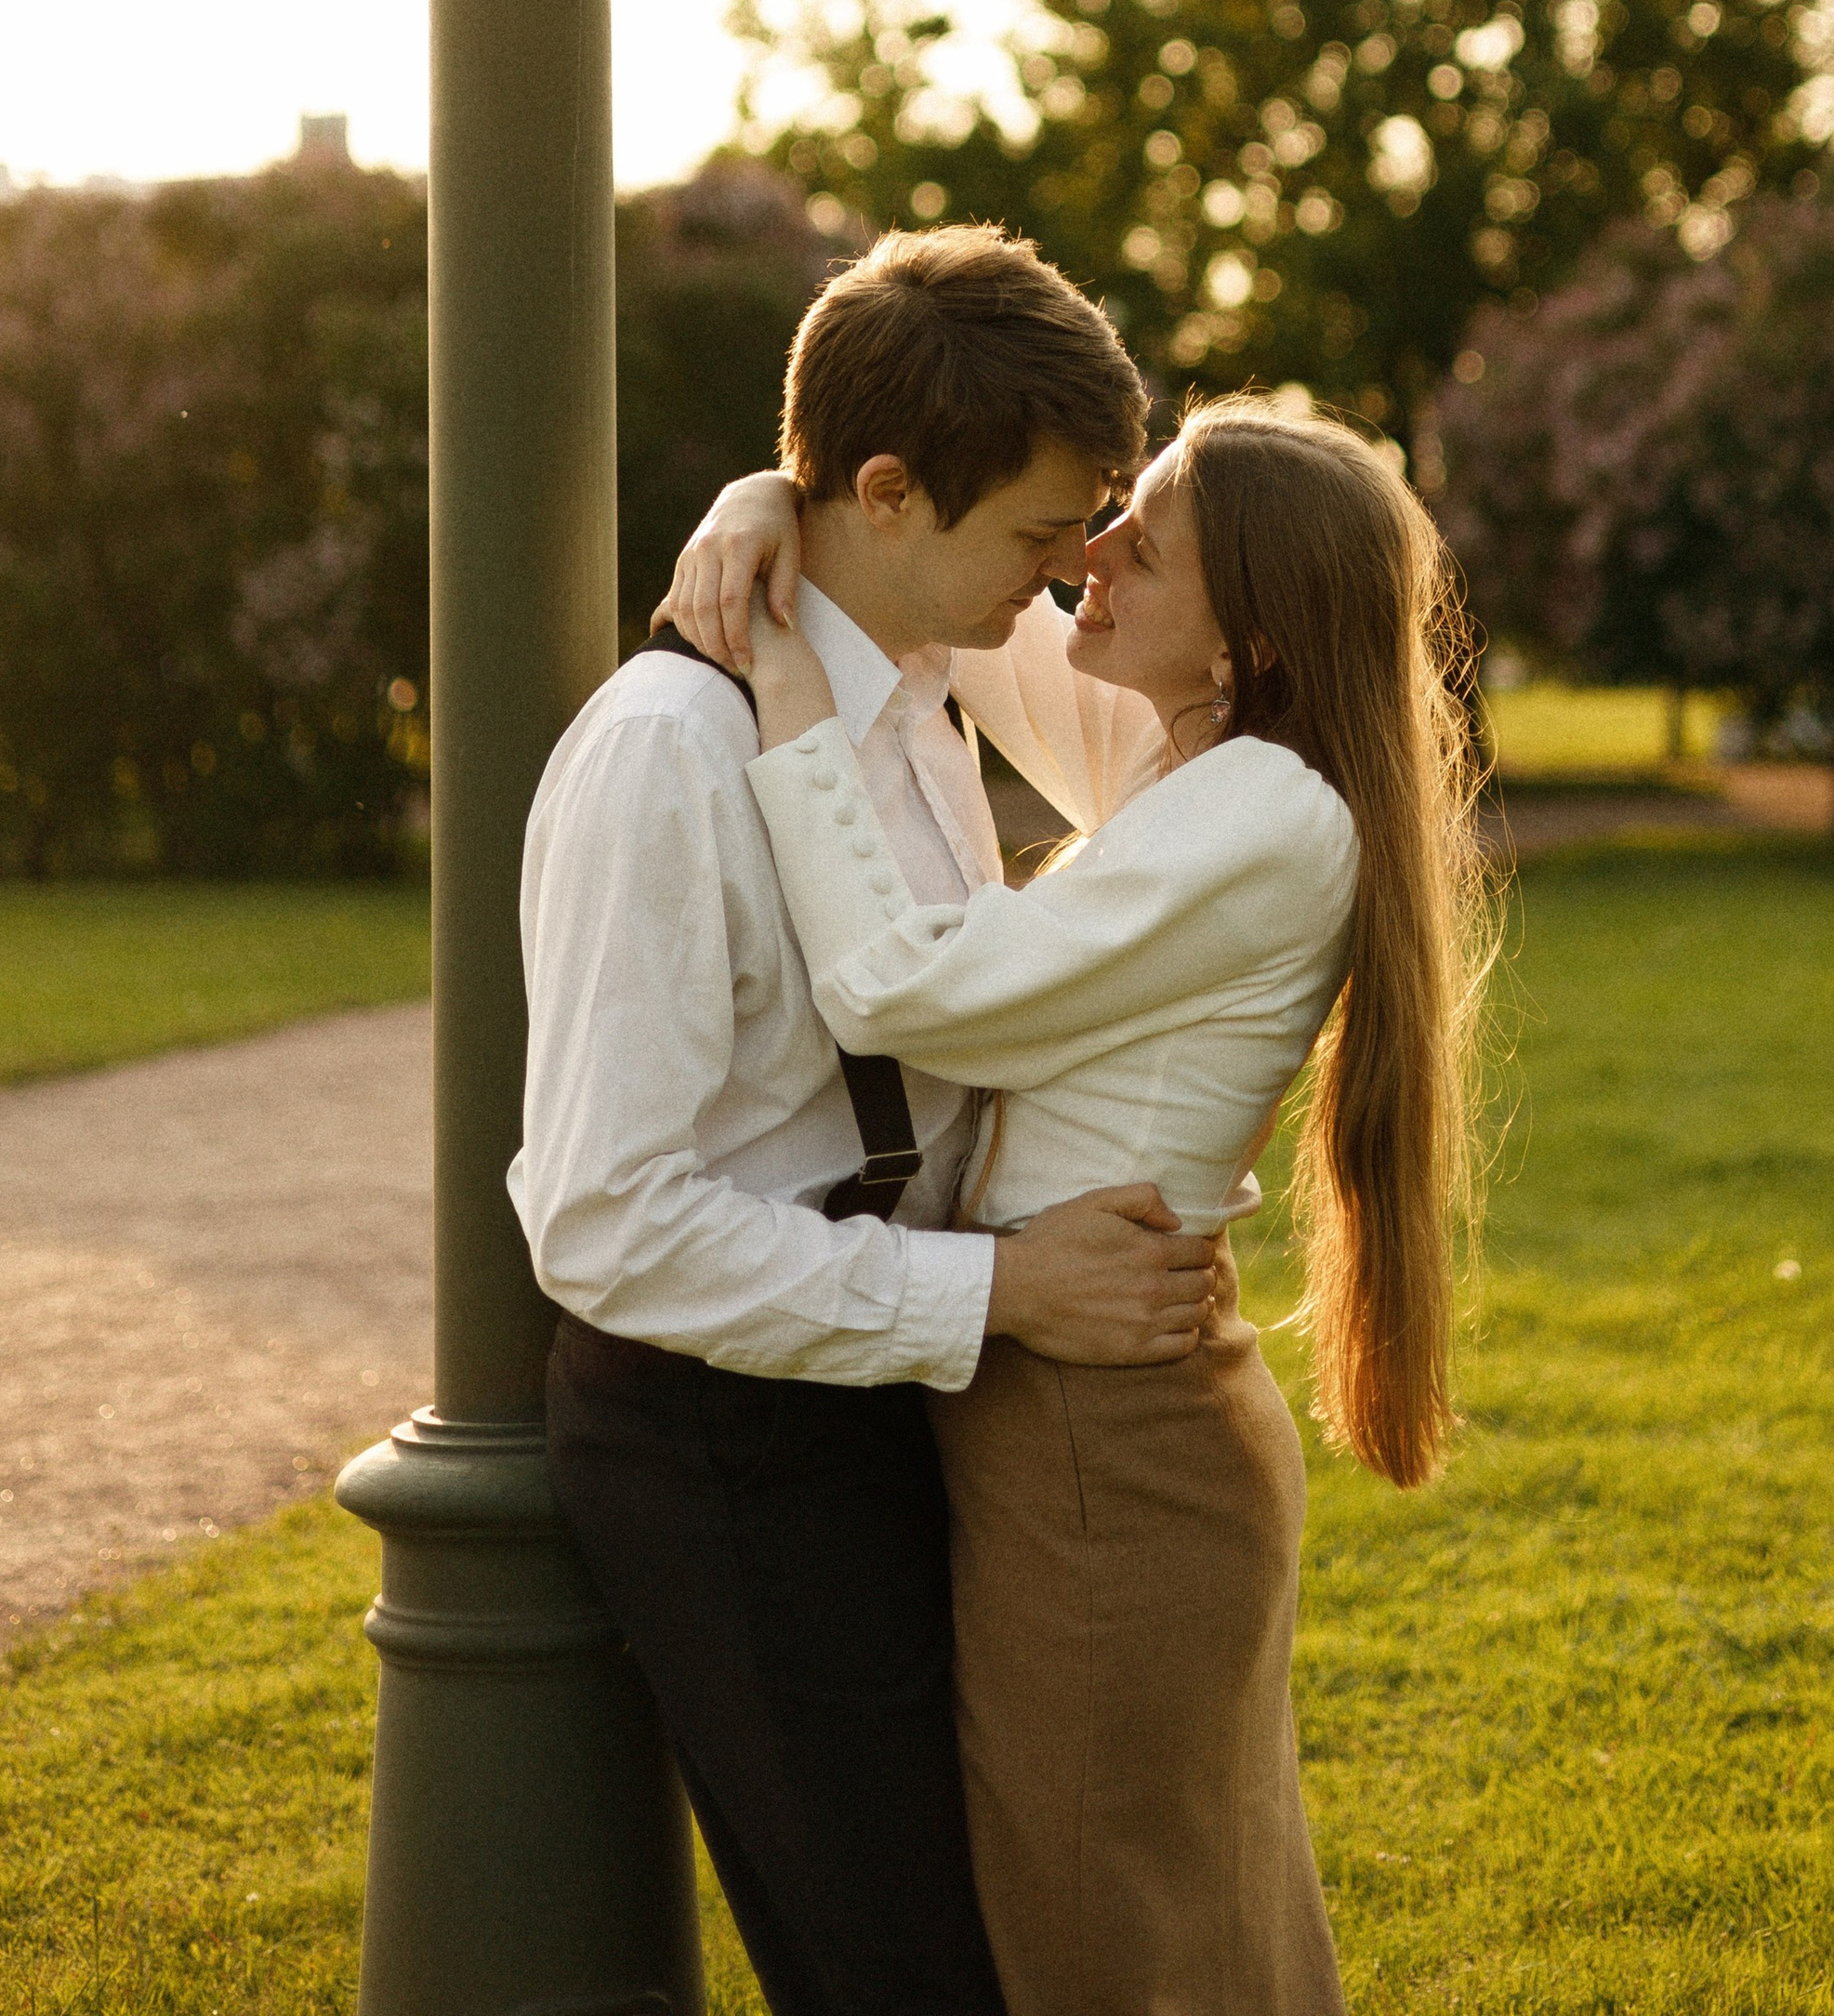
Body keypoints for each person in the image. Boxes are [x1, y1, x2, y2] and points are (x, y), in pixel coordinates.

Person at [666, 389, 1486, 2016]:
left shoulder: (1264, 813)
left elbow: (900, 989)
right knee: (1187, 1937)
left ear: (1251, 639)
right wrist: (770, 493)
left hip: (1106, 1439)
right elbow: (945, 595)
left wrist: (786, 693)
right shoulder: (1204, 755)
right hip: (1104, 1406)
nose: (1083, 556)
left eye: (1141, 542)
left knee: (1107, 1951)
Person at [508, 225, 1225, 2016]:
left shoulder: (932, 683)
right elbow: (606, 1221)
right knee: (902, 1971)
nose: (1072, 571)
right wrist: (1001, 1294)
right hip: (728, 1442)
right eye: (1043, 531)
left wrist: (773, 484)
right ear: (892, 492)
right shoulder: (667, 752)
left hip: (893, 1388)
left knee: (1006, 1926)